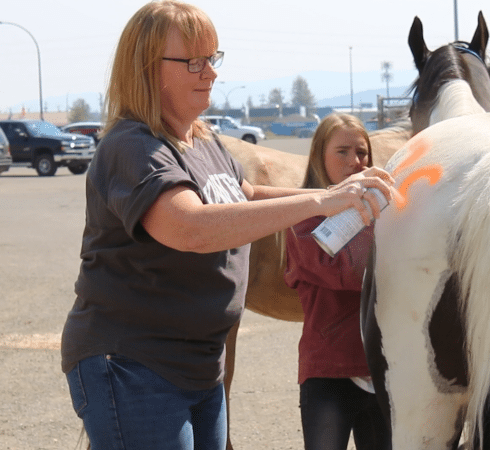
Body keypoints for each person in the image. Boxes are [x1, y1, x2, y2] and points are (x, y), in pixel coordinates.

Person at [59, 3, 393, 450]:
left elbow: (246, 195)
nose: (210, 73)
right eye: (193, 61)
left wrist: (340, 198)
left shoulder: (202, 139)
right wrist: (322, 199)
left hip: (198, 365)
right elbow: (190, 227)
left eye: (212, 59)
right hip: (136, 364)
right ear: (148, 68)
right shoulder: (133, 145)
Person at [284, 113, 392, 450]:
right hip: (328, 371)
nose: (355, 162)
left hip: (381, 367)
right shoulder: (302, 216)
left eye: (362, 153)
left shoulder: (385, 210)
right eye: (342, 152)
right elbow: (343, 269)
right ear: (319, 156)